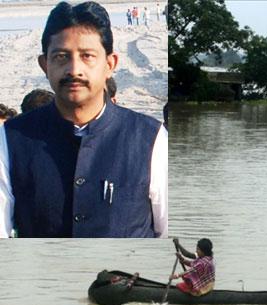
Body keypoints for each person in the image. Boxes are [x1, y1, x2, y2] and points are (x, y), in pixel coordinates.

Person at [0, 1, 167, 238]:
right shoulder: (11, 138)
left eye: (87, 56)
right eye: (61, 57)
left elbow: (168, 234)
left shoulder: (151, 137)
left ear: (110, 64)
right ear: (44, 65)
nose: (74, 69)